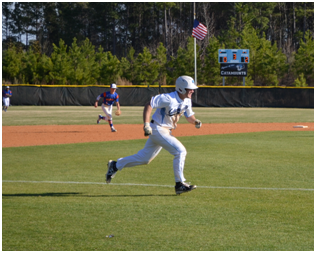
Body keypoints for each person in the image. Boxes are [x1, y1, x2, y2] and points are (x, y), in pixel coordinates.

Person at [106, 75, 202, 195]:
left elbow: (189, 116)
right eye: (190, 88)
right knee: (180, 151)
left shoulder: (187, 101)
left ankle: (115, 165)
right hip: (157, 128)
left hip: (165, 131)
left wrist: (195, 121)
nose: (192, 90)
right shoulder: (168, 98)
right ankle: (180, 184)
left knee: (145, 159)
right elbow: (149, 104)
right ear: (182, 88)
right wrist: (146, 124)